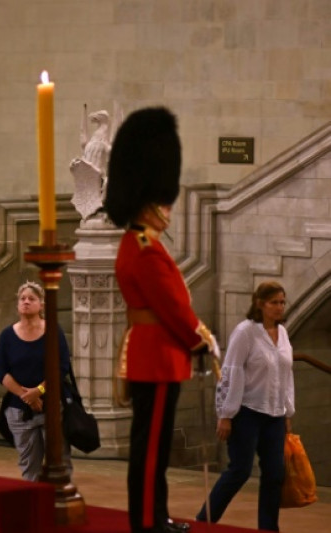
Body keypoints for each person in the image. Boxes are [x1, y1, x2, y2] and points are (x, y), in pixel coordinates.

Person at [103, 107, 219, 533]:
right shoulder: (144, 247)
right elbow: (171, 305)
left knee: (153, 446)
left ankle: (156, 517)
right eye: (164, 201)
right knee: (149, 449)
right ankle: (147, 524)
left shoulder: (140, 242)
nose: (168, 209)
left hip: (157, 355)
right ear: (149, 202)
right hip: (157, 355)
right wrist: (198, 338)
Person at [196, 281, 294, 531]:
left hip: (274, 415)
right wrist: (226, 414)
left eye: (282, 302)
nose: (280, 307)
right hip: (247, 412)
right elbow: (232, 372)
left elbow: (286, 373)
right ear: (260, 304)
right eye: (274, 302)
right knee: (240, 470)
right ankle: (204, 519)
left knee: (274, 474)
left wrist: (287, 411)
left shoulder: (282, 333)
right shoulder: (245, 332)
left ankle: (268, 527)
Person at [0, 280, 72, 481]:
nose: (26, 302)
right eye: (22, 299)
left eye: (31, 298)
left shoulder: (53, 331)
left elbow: (62, 366)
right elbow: (1, 372)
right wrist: (26, 396)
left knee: (60, 462)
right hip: (19, 410)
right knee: (30, 465)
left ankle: (59, 505)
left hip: (52, 407)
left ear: (42, 305)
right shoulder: (7, 336)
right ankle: (35, 505)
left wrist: (39, 390)